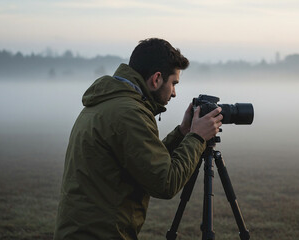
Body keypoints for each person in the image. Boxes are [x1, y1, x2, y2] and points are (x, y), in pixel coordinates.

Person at [54, 38, 223, 240]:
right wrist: (197, 137)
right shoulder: (129, 114)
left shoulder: (107, 102)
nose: (175, 93)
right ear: (156, 79)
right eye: (174, 83)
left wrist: (183, 132)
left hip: (83, 230)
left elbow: (143, 161)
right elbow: (165, 182)